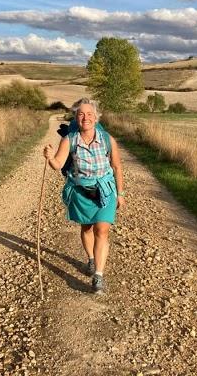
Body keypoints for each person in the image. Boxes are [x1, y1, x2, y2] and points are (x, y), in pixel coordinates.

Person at [43, 98, 126, 294]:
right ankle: (90, 258)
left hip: (105, 190)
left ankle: (98, 275)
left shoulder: (107, 139)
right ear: (76, 118)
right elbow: (58, 164)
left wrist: (120, 193)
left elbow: (117, 166)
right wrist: (49, 157)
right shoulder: (69, 140)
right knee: (87, 228)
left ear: (96, 118)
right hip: (81, 191)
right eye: (81, 114)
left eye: (89, 114)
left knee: (102, 230)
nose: (85, 118)